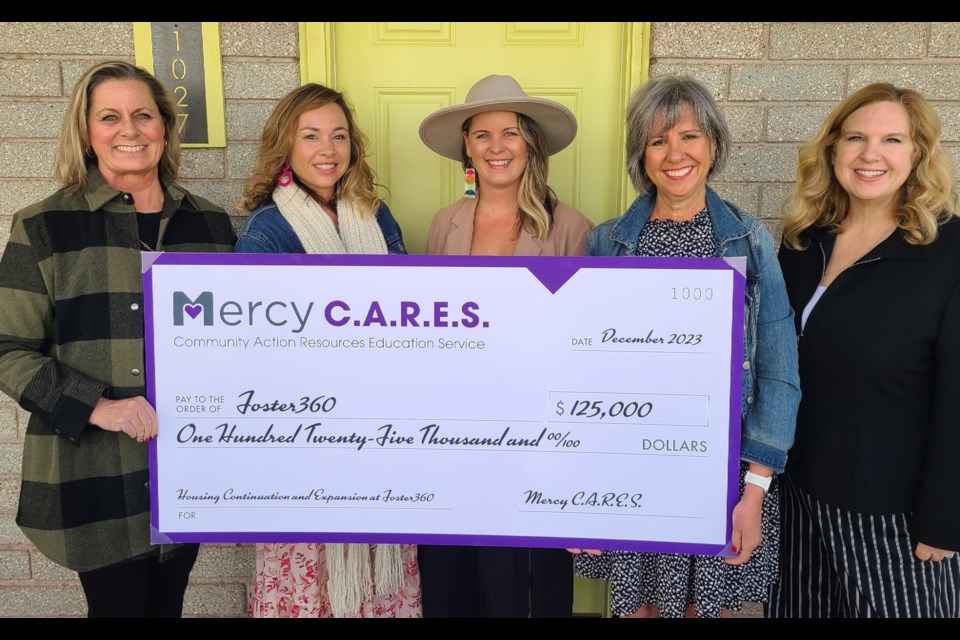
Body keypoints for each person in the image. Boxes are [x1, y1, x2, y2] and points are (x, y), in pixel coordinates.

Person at [0, 60, 236, 618]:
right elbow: (7, 349)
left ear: (164, 127)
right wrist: (99, 407)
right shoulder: (43, 226)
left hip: (186, 468)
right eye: (109, 116)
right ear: (86, 132)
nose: (129, 130)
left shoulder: (210, 226)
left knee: (168, 607)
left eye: (142, 115)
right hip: (95, 474)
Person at [570, 75, 801, 618]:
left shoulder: (748, 241)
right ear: (641, 156)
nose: (675, 154)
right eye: (657, 141)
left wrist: (755, 490)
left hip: (720, 476)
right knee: (640, 609)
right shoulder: (607, 244)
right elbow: (579, 374)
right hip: (629, 474)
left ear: (713, 144)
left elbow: (778, 368)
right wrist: (576, 496)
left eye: (690, 136)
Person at [766, 83, 960, 618]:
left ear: (918, 154)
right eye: (856, 138)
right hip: (797, 494)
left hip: (892, 511)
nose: (871, 154)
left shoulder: (948, 253)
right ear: (832, 150)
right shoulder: (804, 242)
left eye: (892, 139)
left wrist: (946, 517)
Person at [235, 83, 419, 618]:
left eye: (339, 136)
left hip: (382, 427)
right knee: (311, 584)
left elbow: (409, 313)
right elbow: (259, 347)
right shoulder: (267, 230)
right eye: (311, 135)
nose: (327, 149)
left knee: (380, 573)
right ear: (284, 147)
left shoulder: (375, 216)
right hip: (305, 436)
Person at [417, 74, 594, 617]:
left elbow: (586, 351)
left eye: (511, 133)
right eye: (483, 134)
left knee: (526, 591)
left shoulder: (570, 228)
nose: (498, 147)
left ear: (530, 144)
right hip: (454, 441)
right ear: (466, 146)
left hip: (538, 446)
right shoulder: (444, 225)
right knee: (456, 586)